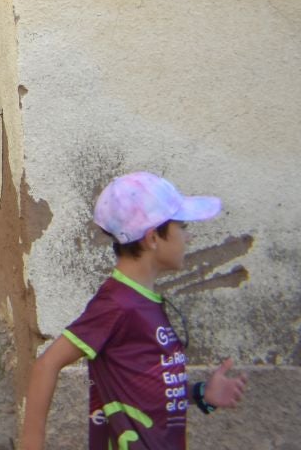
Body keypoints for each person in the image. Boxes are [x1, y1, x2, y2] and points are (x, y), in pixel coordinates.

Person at [18, 173, 247, 450]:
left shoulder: (141, 301)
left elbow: (145, 387)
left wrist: (200, 393)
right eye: (182, 225)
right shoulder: (117, 304)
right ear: (152, 238)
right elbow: (47, 364)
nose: (189, 235)